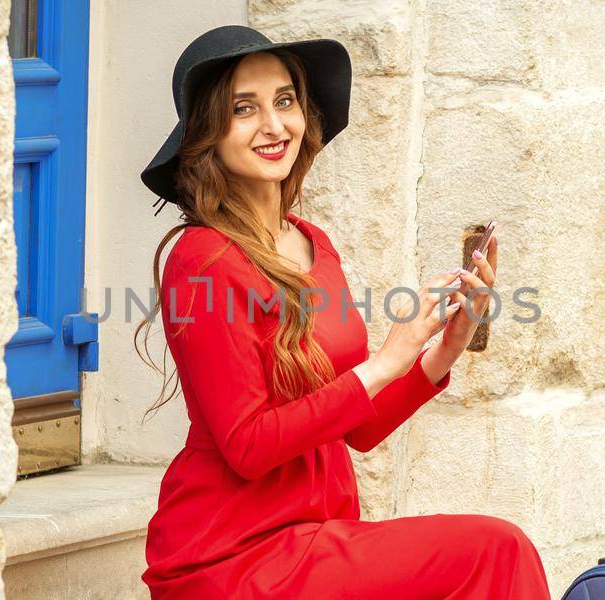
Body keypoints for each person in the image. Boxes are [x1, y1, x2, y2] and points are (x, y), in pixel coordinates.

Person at [133, 25, 550, 599]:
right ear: (208, 133)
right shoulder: (201, 259)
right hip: (234, 553)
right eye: (243, 109)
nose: (274, 124)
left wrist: (447, 344)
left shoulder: (312, 243)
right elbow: (248, 445)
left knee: (493, 552)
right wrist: (384, 362)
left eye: (285, 101)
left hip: (320, 536)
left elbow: (356, 429)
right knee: (495, 549)